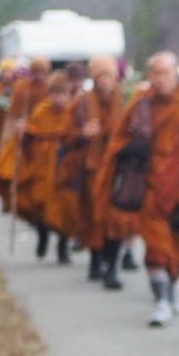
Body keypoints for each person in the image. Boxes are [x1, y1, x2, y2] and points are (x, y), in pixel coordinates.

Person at [93, 51, 179, 305]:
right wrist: (131, 149)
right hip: (149, 183)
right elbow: (120, 139)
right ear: (150, 76)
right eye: (157, 73)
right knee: (155, 245)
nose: (161, 79)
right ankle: (161, 297)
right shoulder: (141, 104)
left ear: (176, 73)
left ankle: (172, 283)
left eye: (166, 73)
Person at [61, 56, 124, 281]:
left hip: (118, 170)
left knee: (116, 218)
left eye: (108, 76)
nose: (105, 81)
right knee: (93, 217)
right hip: (92, 170)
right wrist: (82, 134)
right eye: (101, 77)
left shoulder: (125, 102)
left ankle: (112, 266)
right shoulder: (82, 103)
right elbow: (66, 136)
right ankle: (96, 261)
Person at [19, 71, 76, 262]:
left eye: (62, 94)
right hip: (42, 166)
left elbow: (75, 136)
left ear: (68, 94)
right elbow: (30, 134)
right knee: (40, 206)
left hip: (64, 167)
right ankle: (43, 235)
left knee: (65, 207)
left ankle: (63, 245)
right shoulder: (41, 111)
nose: (58, 99)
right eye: (55, 94)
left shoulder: (72, 112)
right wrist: (24, 135)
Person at [0, 57, 52, 214]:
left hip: (43, 140)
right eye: (37, 72)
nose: (40, 75)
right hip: (24, 138)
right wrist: (12, 133)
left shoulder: (49, 89)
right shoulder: (23, 89)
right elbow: (13, 117)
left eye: (43, 72)